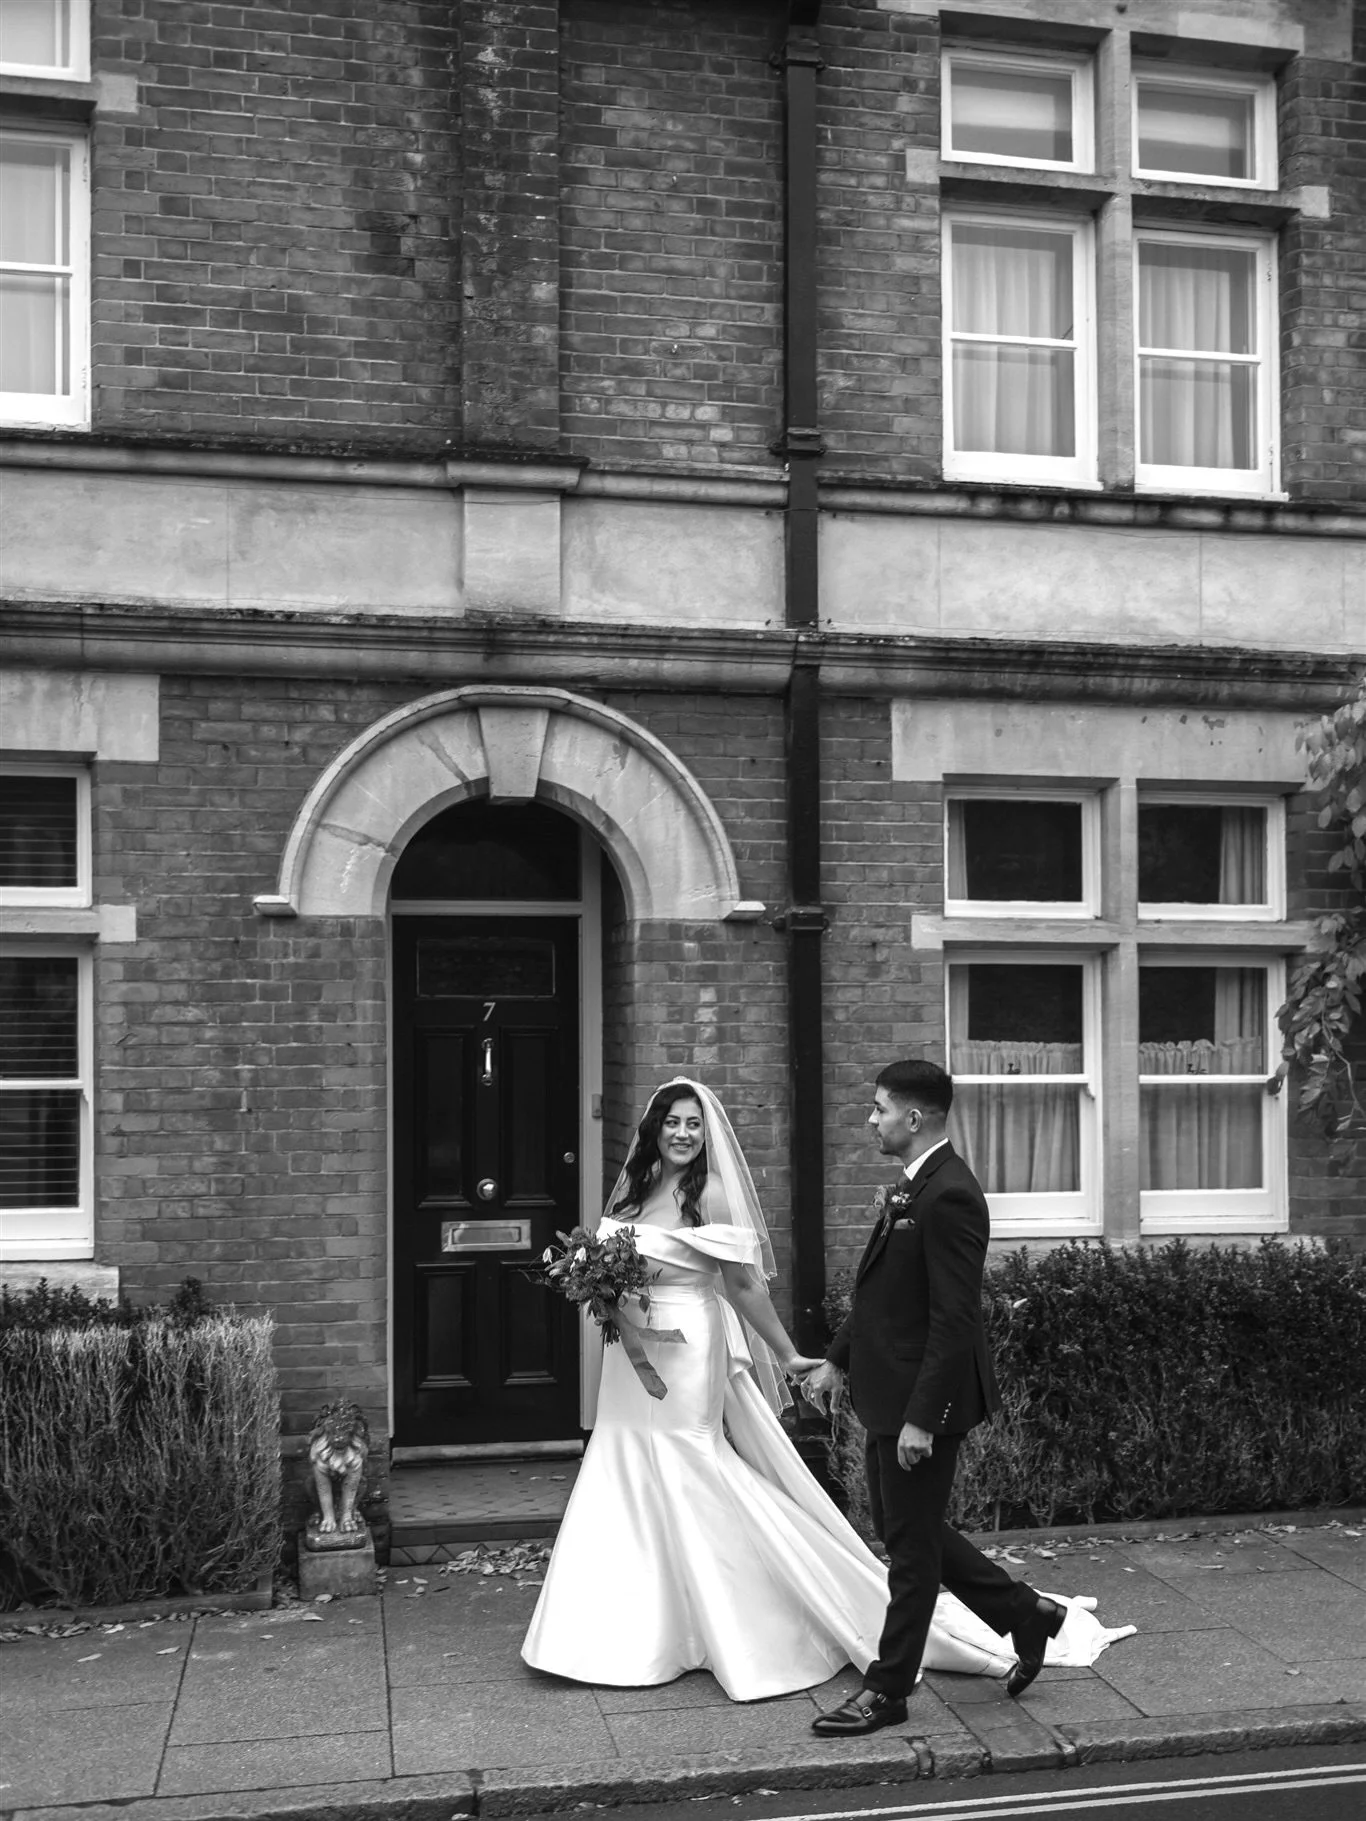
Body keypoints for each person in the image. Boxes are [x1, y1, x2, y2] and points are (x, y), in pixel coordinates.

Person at [521, 1077, 892, 1700]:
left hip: (688, 1345)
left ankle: (751, 1618)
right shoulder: (635, 1187)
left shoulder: (711, 1194)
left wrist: (790, 1353)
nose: (684, 1134)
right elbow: (610, 1259)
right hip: (628, 1353)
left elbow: (742, 1286)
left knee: (689, 1460)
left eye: (695, 1123)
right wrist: (594, 1283)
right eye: (673, 1122)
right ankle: (622, 1629)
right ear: (655, 1128)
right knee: (622, 1458)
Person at [802, 1060, 1068, 1736]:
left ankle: (887, 1690)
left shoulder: (951, 1194)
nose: (871, 1118)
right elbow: (881, 1293)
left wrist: (923, 1419)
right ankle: (1024, 1612)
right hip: (890, 1393)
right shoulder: (914, 1186)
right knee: (903, 1529)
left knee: (911, 1554)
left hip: (925, 1404)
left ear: (913, 1118)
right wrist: (836, 1360)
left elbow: (954, 1319)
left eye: (879, 1107)